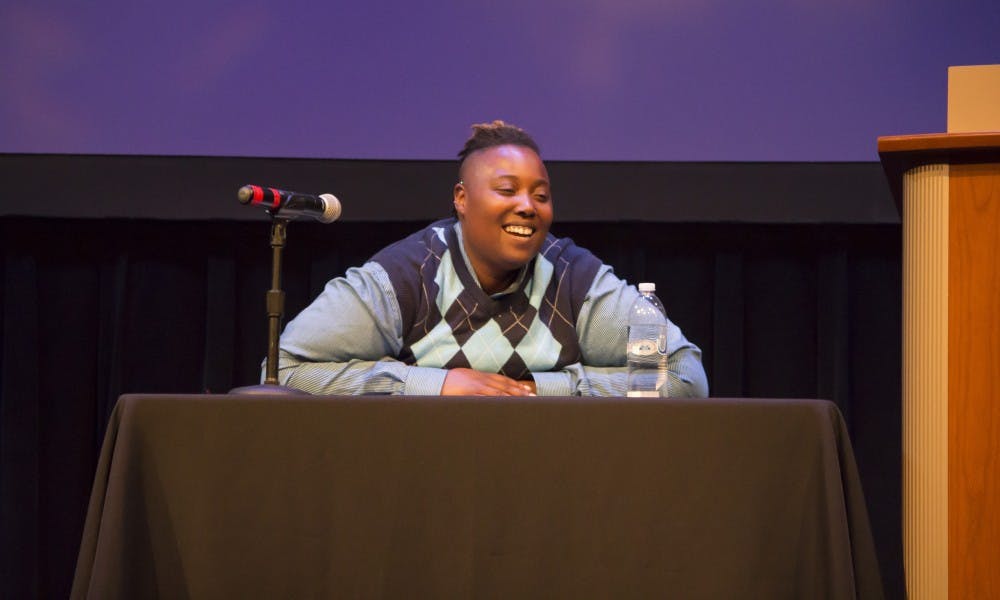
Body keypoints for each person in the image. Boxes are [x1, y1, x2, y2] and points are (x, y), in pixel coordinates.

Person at [272, 120, 708, 397]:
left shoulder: (575, 278)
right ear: (462, 199)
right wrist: (435, 385)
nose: (528, 206)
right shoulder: (406, 275)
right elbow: (286, 370)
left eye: (541, 195)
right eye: (507, 190)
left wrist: (541, 391)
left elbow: (685, 377)